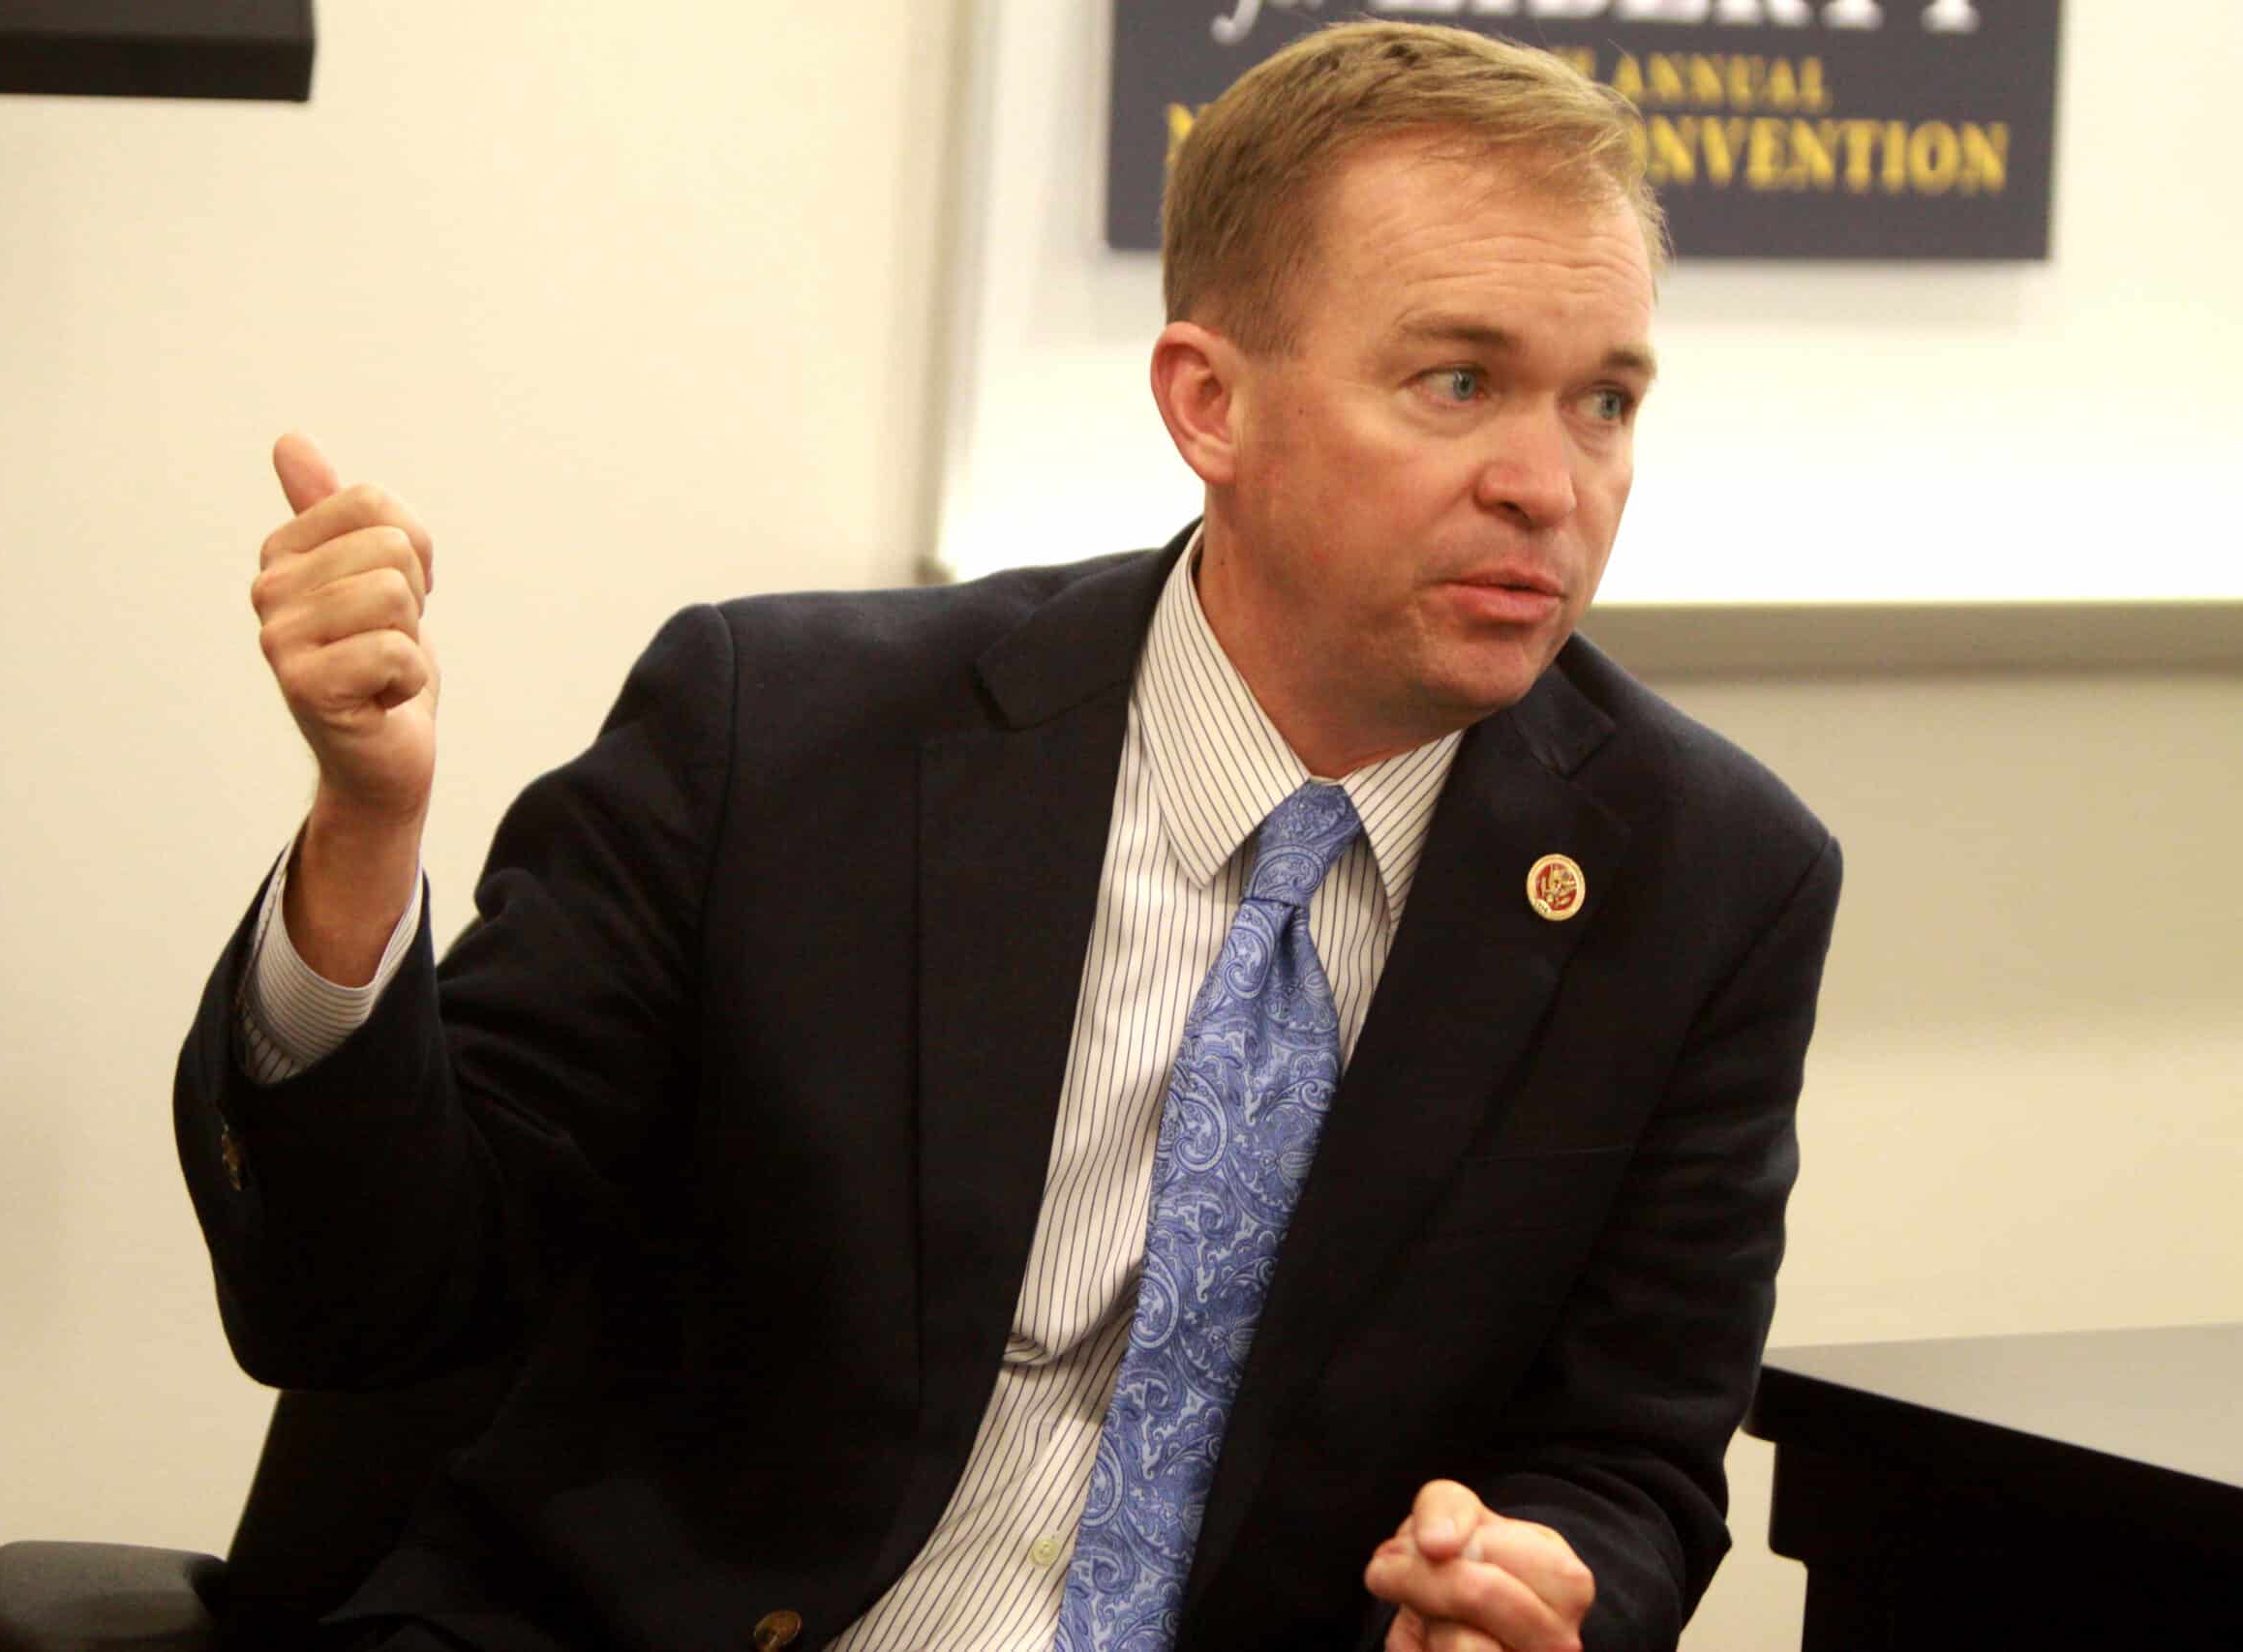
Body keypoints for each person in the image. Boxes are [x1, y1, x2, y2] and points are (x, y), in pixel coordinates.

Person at [178, 20, 1840, 1652]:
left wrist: (1540, 1583)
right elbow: (372, 1293)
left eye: (1604, 403)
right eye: (1459, 381)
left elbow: (1631, 1456)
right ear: (1211, 406)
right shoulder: (784, 736)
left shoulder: (1705, 878)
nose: (1549, 485)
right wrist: (367, 823)